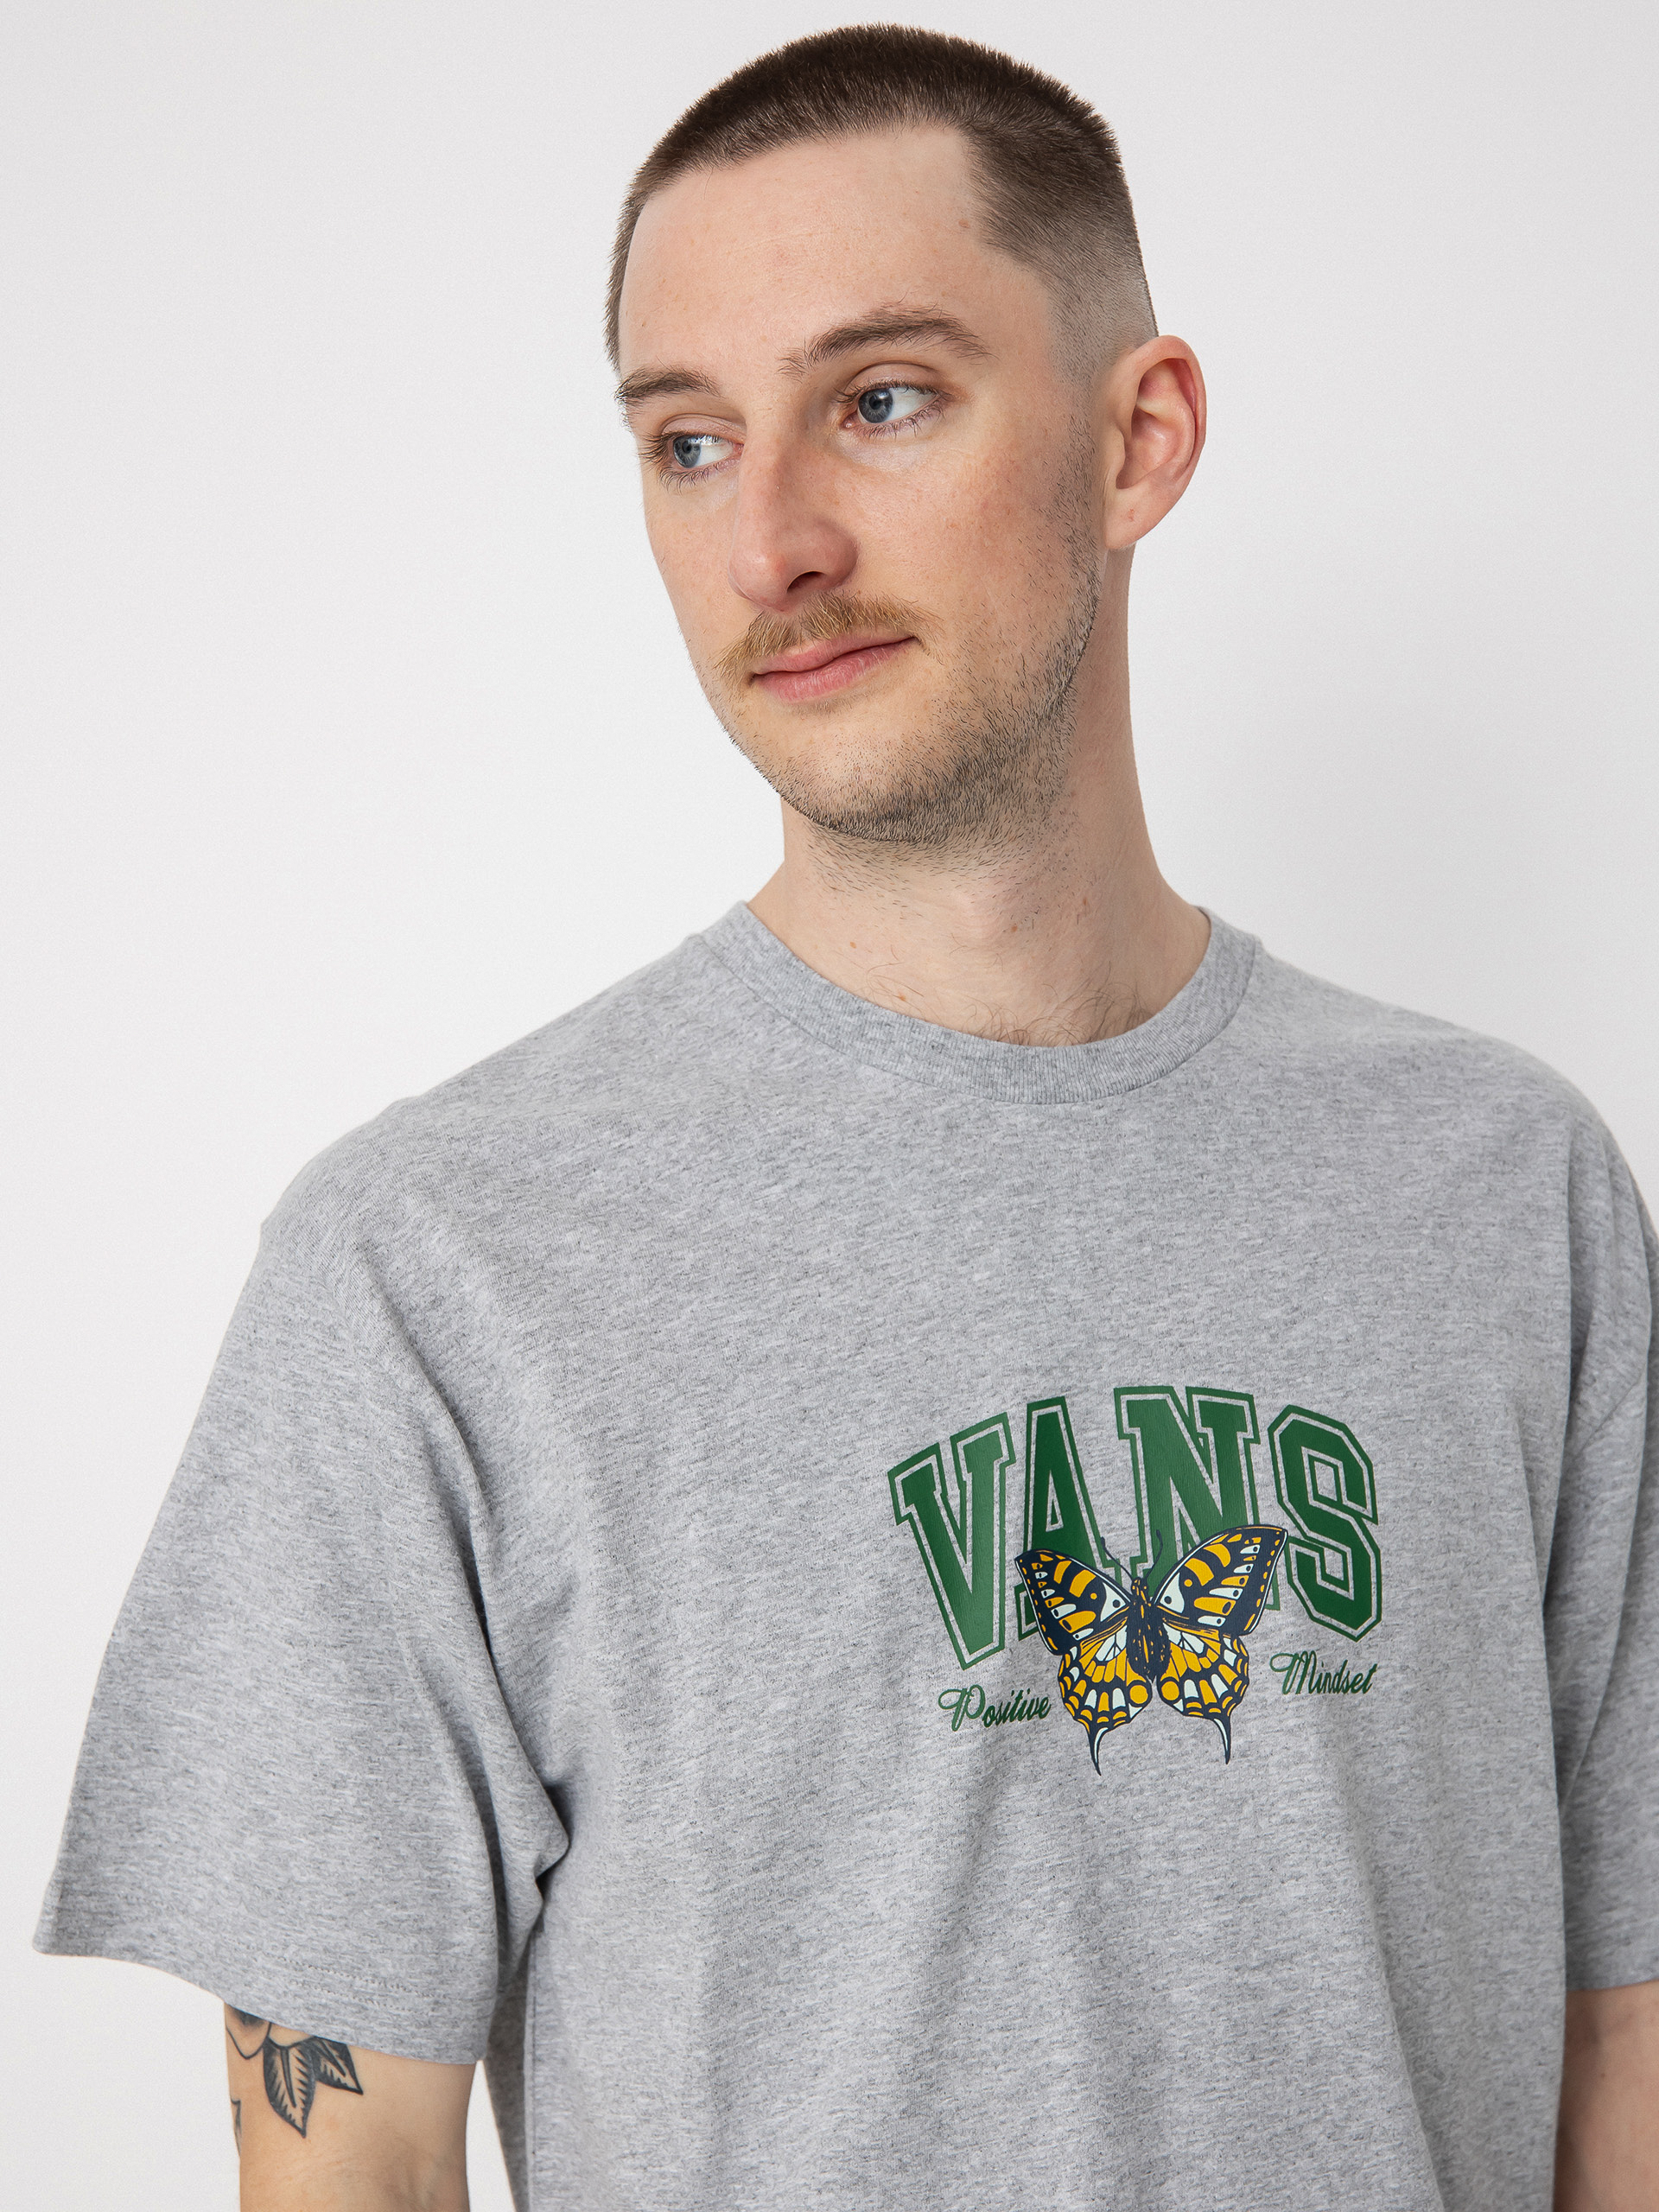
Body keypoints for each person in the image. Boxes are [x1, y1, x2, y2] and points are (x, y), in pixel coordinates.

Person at [35, 24, 1657, 2212]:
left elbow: (1625, 2054)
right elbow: (350, 2166)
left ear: (1140, 437)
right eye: (688, 442)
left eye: (881, 401)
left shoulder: (1509, 1192)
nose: (772, 540)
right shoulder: (438, 1259)